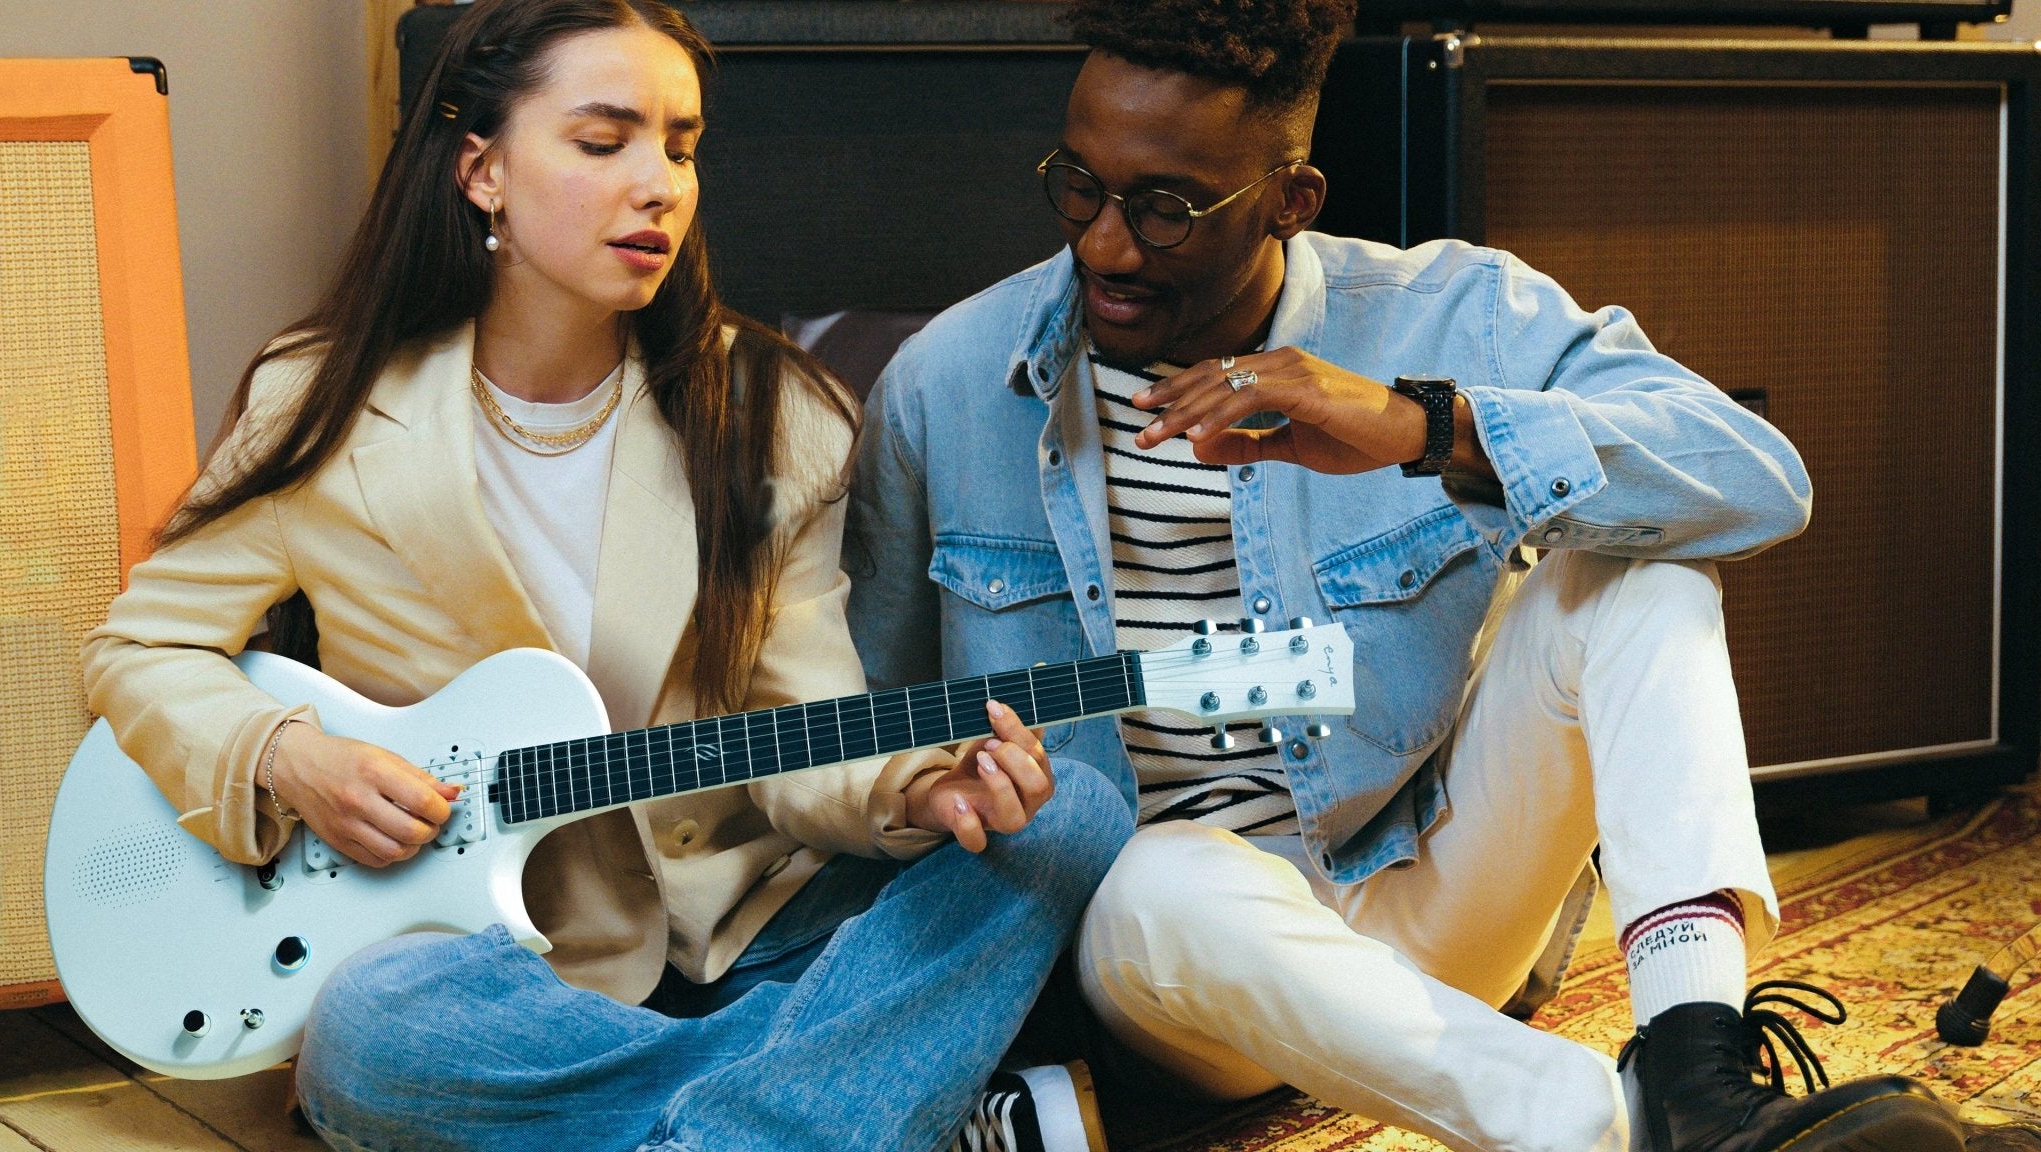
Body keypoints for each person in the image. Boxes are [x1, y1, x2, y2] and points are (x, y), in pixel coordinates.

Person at [843, 2, 1974, 1150]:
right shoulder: (945, 387)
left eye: (1167, 208)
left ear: (1292, 201)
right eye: (1077, 185)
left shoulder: (1451, 312)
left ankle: (1697, 1074)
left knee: (1640, 579)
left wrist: (1417, 426)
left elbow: (1755, 479)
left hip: (1420, 885)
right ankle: (1627, 1135)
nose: (1104, 244)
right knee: (1158, 881)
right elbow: (868, 739)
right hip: (1168, 965)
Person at [79, 2, 1130, 1150]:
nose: (660, 185)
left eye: (679, 147)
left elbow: (807, 732)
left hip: (748, 934)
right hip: (497, 976)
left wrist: (919, 791)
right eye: (602, 141)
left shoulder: (772, 415)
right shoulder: (323, 403)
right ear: (482, 170)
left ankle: (760, 1119)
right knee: (375, 1035)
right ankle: (862, 1096)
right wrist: (289, 754)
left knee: (1068, 811)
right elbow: (141, 649)